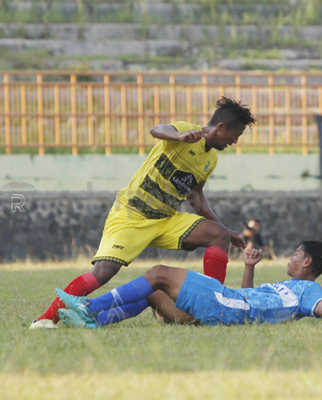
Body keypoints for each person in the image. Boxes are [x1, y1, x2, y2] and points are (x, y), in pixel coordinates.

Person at [30, 97, 256, 330]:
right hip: (131, 213)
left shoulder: (211, 160)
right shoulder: (187, 131)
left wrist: (227, 230)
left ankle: (212, 306)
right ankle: (45, 319)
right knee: (103, 272)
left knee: (217, 234)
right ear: (221, 128)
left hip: (165, 219)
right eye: (235, 135)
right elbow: (157, 130)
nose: (235, 141)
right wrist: (178, 137)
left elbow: (196, 197)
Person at [56, 240, 322, 329]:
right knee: (154, 291)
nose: (291, 258)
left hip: (224, 305)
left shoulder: (311, 291)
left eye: (296, 254)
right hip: (228, 306)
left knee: (157, 272)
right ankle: (95, 322)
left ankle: (89, 307)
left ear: (308, 262)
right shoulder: (289, 286)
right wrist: (249, 268)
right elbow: (246, 296)